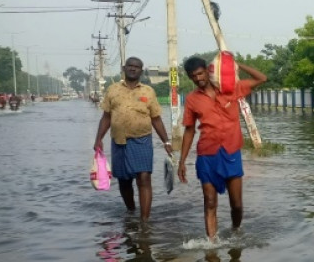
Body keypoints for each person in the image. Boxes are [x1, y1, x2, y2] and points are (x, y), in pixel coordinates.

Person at [177, 56, 267, 240]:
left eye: (200, 73)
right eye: (193, 76)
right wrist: (182, 161)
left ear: (207, 70)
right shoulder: (192, 99)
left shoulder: (231, 89)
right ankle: (212, 244)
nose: (198, 79)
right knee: (210, 202)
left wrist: (236, 65)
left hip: (231, 152)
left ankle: (235, 231)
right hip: (207, 155)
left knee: (237, 204)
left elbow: (261, 78)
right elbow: (189, 130)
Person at [94, 56, 173, 221]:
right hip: (119, 141)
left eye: (136, 67)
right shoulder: (113, 90)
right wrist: (98, 139)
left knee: (144, 178)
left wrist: (166, 141)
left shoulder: (148, 91)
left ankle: (144, 221)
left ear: (141, 71)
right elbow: (106, 117)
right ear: (124, 68)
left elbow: (156, 119)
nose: (133, 68)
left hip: (142, 140)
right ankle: (131, 212)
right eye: (130, 65)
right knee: (124, 181)